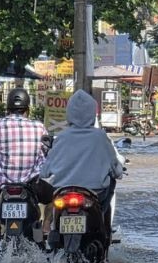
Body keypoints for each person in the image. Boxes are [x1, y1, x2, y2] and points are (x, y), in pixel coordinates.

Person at [38, 90, 123, 229]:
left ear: (69, 113)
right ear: (92, 113)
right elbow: (115, 167)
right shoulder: (100, 137)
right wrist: (118, 172)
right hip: (95, 193)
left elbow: (45, 172)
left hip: (63, 191)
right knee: (111, 183)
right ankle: (104, 227)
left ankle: (51, 228)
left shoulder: (62, 137)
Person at [0, 87, 50, 247]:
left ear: (7, 109)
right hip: (32, 183)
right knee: (54, 198)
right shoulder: (38, 127)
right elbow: (45, 150)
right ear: (28, 109)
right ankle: (46, 228)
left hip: (2, 184)